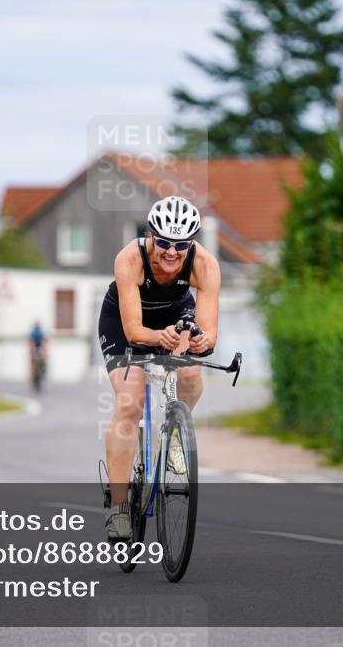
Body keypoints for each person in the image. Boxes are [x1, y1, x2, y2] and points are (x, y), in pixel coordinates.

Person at [97, 196, 220, 541]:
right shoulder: (129, 259)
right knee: (129, 401)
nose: (170, 252)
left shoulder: (205, 265)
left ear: (191, 243)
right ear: (151, 235)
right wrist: (158, 338)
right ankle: (119, 506)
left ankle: (176, 433)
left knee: (192, 374)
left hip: (174, 316)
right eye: (163, 242)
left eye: (180, 245)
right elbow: (135, 331)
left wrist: (201, 342)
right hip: (125, 323)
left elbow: (210, 331)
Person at [28, 321, 47, 392]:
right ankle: (34, 374)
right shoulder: (34, 333)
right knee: (34, 362)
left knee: (40, 361)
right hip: (35, 348)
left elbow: (43, 342)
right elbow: (31, 343)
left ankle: (40, 371)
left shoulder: (38, 333)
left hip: (38, 348)